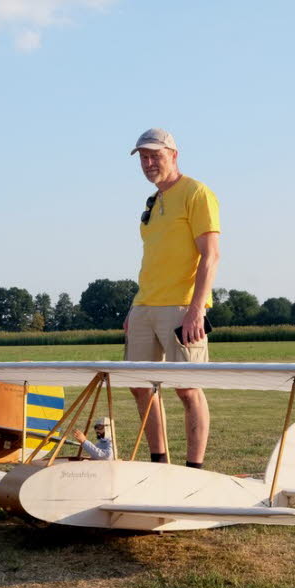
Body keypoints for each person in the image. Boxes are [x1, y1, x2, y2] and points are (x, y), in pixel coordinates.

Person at [123, 128, 221, 469]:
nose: (149, 163)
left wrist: (196, 310)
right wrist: (135, 307)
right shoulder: (152, 202)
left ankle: (194, 469)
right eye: (144, 158)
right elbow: (154, 260)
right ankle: (159, 464)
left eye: (156, 156)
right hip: (144, 307)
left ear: (174, 155)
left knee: (187, 388)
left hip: (182, 309)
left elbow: (210, 256)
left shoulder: (197, 193)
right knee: (139, 387)